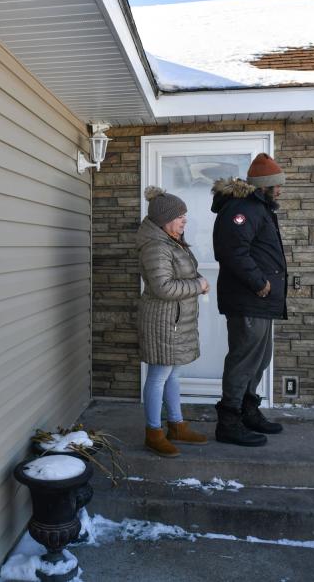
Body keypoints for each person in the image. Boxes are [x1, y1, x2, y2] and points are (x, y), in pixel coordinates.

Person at [210, 153, 288, 447]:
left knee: (260, 359)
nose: (280, 189)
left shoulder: (260, 207)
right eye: (277, 184)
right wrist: (260, 283)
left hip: (262, 301)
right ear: (263, 185)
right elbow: (231, 251)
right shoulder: (243, 209)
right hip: (249, 298)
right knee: (243, 360)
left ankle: (248, 410)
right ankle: (228, 422)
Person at [137, 186, 211, 457]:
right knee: (159, 375)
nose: (185, 221)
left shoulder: (171, 241)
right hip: (163, 321)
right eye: (181, 216)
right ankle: (153, 432)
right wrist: (198, 284)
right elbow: (164, 288)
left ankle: (177, 426)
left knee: (173, 374)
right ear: (165, 219)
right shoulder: (156, 246)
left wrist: (196, 283)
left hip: (175, 321)